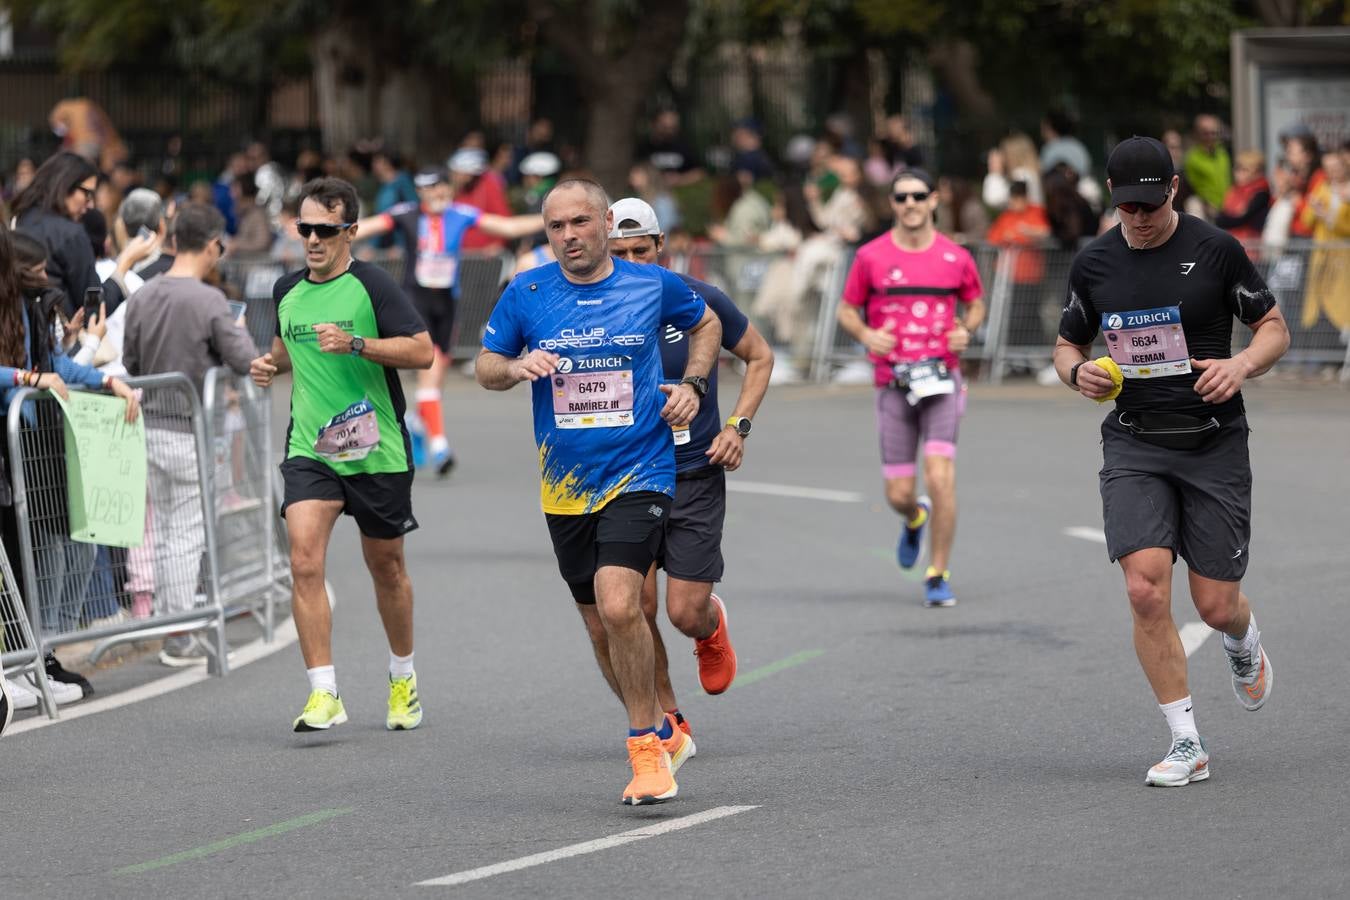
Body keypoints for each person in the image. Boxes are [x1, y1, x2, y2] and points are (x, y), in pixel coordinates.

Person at [476, 179, 721, 806]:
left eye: (580, 222)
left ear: (607, 222)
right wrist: (514, 367)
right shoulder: (527, 290)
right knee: (598, 625)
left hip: (641, 471)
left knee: (621, 606)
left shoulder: (651, 284)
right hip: (565, 486)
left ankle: (646, 750)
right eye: (556, 226)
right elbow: (484, 365)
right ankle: (663, 726)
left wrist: (692, 385)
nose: (568, 236)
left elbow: (707, 323)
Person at [1053, 135, 1289, 787]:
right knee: (1144, 586)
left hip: (1213, 440)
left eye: (1152, 204)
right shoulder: (1095, 262)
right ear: (1112, 198)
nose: (1141, 217)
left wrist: (1241, 365)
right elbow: (1067, 342)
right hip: (1135, 439)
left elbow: (1274, 328)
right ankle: (1186, 741)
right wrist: (1078, 375)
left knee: (1215, 606)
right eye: (1129, 207)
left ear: (1174, 189)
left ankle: (1242, 641)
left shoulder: (1215, 250)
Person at [248, 176, 434, 733]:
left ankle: (403, 677)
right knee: (303, 560)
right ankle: (323, 691)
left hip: (376, 449)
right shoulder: (286, 290)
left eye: (324, 230)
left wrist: (356, 343)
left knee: (387, 568)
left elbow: (422, 351)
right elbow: (287, 351)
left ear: (350, 231)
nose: (311, 239)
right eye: (303, 228)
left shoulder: (373, 285)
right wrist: (268, 365)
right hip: (311, 448)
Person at [599, 196, 774, 754]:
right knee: (635, 607)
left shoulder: (699, 301)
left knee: (681, 612)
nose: (630, 261)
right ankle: (667, 717)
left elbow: (760, 356)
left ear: (661, 249)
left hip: (697, 473)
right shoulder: (594, 310)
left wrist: (737, 427)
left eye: (640, 251)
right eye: (619, 252)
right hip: (629, 476)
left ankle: (710, 624)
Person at [0, 226, 140, 700]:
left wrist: (106, 383)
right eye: (35, 270)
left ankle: (39, 655)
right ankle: (20, 663)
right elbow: (39, 370)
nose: (45, 276)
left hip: (34, 444)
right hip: (12, 442)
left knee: (51, 548)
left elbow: (59, 366)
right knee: (22, 557)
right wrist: (27, 377)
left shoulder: (35, 311)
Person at [835, 168, 985, 607]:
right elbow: (847, 309)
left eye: (919, 196)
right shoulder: (871, 257)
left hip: (941, 379)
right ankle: (914, 515)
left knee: (940, 477)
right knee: (898, 494)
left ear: (934, 199)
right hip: (893, 383)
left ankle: (937, 573)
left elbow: (975, 304)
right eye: (901, 198)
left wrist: (966, 330)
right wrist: (866, 335)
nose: (910, 204)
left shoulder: (956, 257)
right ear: (892, 204)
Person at [123, 202, 257, 664]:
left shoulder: (142, 295)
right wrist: (236, 333)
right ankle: (177, 631)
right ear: (213, 244)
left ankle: (168, 621)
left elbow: (132, 362)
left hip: (150, 423)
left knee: (164, 532)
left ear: (174, 238)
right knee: (187, 533)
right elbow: (244, 359)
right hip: (189, 425)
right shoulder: (208, 300)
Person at [354, 167, 542, 475]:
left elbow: (506, 227)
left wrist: (551, 218)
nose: (440, 196)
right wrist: (328, 229)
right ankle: (439, 445)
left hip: (447, 303)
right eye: (433, 191)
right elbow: (367, 227)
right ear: (422, 192)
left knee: (437, 377)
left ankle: (417, 421)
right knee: (429, 377)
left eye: (444, 190)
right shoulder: (406, 214)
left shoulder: (461, 214)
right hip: (417, 301)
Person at [10, 152, 101, 316]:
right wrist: (120, 274)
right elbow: (91, 305)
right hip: (60, 335)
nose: (90, 204)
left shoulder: (22, 217)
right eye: (87, 193)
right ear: (65, 184)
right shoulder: (71, 234)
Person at [1214, 150, 1270, 251]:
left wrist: (1225, 218)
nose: (1238, 173)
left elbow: (1242, 218)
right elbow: (1221, 217)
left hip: (1251, 246)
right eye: (1237, 169)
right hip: (1233, 243)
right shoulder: (1233, 191)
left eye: (1244, 170)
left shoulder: (1261, 194)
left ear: (1256, 172)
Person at [1181, 115, 1231, 220]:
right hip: (1205, 210)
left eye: (1214, 133)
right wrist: (1206, 204)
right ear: (1198, 134)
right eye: (1206, 133)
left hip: (1226, 207)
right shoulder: (1192, 158)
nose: (1211, 137)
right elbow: (1191, 187)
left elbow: (1228, 179)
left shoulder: (1222, 153)